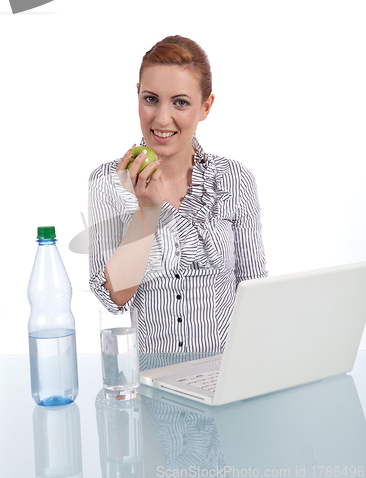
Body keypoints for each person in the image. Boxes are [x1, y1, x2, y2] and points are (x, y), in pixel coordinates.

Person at [89, 35, 267, 353]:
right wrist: (147, 209)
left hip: (223, 376)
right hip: (150, 382)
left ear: (206, 106)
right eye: (151, 99)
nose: (161, 118)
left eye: (181, 102)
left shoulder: (234, 179)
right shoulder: (107, 182)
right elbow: (114, 297)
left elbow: (255, 291)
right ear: (138, 96)